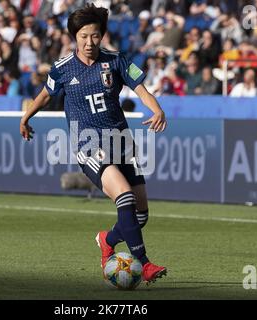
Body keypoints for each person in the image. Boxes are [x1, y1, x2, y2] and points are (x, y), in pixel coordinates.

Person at [20, 4, 167, 284]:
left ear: (102, 35)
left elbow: (141, 90)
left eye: (95, 36)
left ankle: (107, 240)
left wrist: (156, 109)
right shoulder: (63, 68)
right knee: (124, 196)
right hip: (88, 145)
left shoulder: (116, 61)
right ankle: (144, 265)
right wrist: (25, 117)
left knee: (141, 215)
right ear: (74, 37)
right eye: (84, 36)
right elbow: (44, 96)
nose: (89, 42)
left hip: (120, 141)